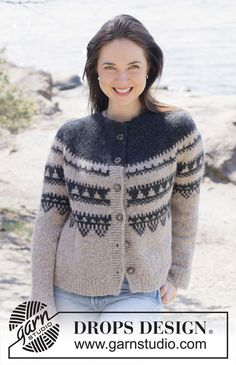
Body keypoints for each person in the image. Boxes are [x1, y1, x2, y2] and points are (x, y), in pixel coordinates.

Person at [30, 14, 205, 323]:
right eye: (109, 67)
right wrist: (42, 300)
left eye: (133, 67)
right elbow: (49, 223)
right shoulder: (70, 137)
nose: (121, 79)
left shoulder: (178, 131)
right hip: (67, 290)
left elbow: (185, 208)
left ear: (149, 68)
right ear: (95, 70)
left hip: (137, 292)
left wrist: (178, 274)